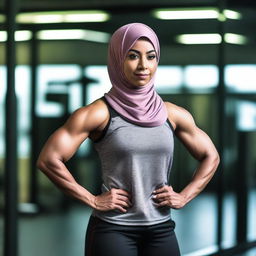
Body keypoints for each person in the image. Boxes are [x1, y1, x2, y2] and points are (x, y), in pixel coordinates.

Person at [37, 23, 220, 256]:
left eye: (151, 57)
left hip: (161, 228)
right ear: (117, 59)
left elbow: (210, 156)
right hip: (113, 230)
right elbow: (49, 159)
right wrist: (92, 200)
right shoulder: (98, 113)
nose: (144, 65)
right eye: (133, 56)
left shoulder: (172, 114)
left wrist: (185, 195)